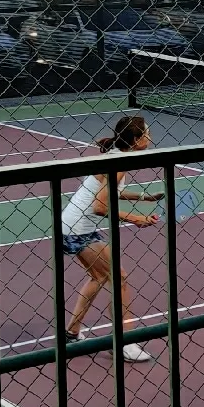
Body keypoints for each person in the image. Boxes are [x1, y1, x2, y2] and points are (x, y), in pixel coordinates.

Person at [60, 116, 163, 361]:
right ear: (137, 141)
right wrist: (135, 218)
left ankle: (72, 332)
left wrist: (143, 197)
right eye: (147, 134)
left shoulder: (115, 157)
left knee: (99, 276)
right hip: (79, 229)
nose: (150, 138)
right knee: (119, 278)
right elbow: (99, 206)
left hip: (71, 226)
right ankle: (124, 342)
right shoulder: (118, 164)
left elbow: (110, 193)